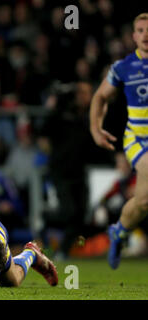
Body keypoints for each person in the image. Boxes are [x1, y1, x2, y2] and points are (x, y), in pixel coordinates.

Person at [89, 13, 148, 269]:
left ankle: (119, 231)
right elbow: (100, 97)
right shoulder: (123, 68)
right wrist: (96, 129)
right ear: (134, 36)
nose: (146, 35)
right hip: (138, 140)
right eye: (140, 30)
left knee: (144, 201)